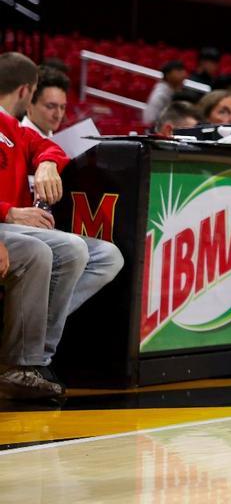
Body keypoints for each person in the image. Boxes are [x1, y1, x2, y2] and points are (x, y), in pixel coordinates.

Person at [0, 53, 123, 399]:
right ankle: (25, 362)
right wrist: (9, 212)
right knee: (61, 248)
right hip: (8, 225)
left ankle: (29, 346)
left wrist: (47, 166)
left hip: (17, 227)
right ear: (27, 90)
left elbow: (48, 147)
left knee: (107, 256)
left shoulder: (15, 129)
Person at [22, 68, 69, 138]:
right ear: (28, 104)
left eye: (62, 107)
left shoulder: (54, 139)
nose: (58, 115)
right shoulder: (18, 144)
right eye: (50, 106)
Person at [142, 59, 187, 126]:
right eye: (179, 71)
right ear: (168, 75)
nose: (183, 75)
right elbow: (150, 119)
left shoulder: (171, 91)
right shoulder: (160, 94)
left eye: (183, 71)